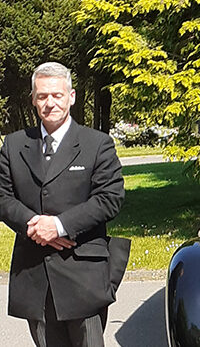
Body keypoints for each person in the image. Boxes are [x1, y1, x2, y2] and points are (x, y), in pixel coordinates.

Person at [0, 62, 129, 347]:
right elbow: (2, 197)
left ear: (71, 96)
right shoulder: (13, 145)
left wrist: (58, 226)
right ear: (33, 99)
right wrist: (35, 226)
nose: (50, 103)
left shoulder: (97, 144)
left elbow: (110, 198)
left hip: (82, 273)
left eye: (57, 95)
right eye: (43, 96)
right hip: (34, 273)